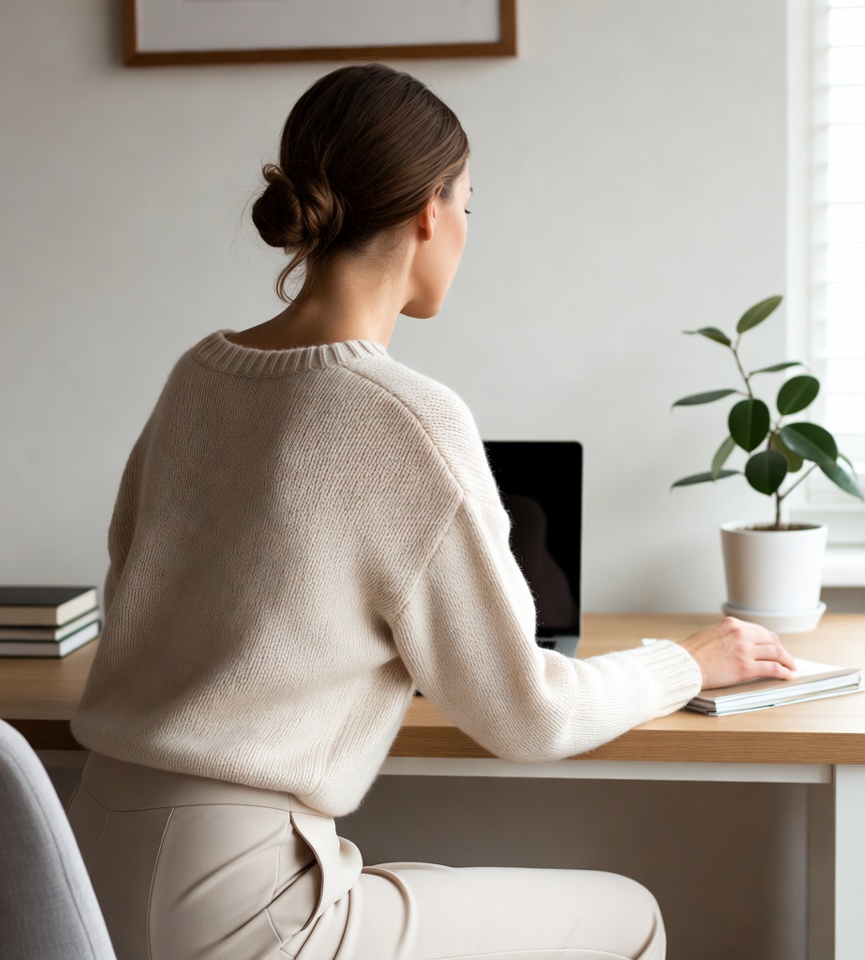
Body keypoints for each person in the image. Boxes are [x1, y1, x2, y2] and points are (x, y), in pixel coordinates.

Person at [66, 63, 795, 960]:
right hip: (243, 910)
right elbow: (527, 716)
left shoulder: (199, 375)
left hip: (85, 872)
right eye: (468, 206)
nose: (464, 231)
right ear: (428, 211)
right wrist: (683, 664)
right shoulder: (405, 415)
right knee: (629, 915)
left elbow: (141, 584)